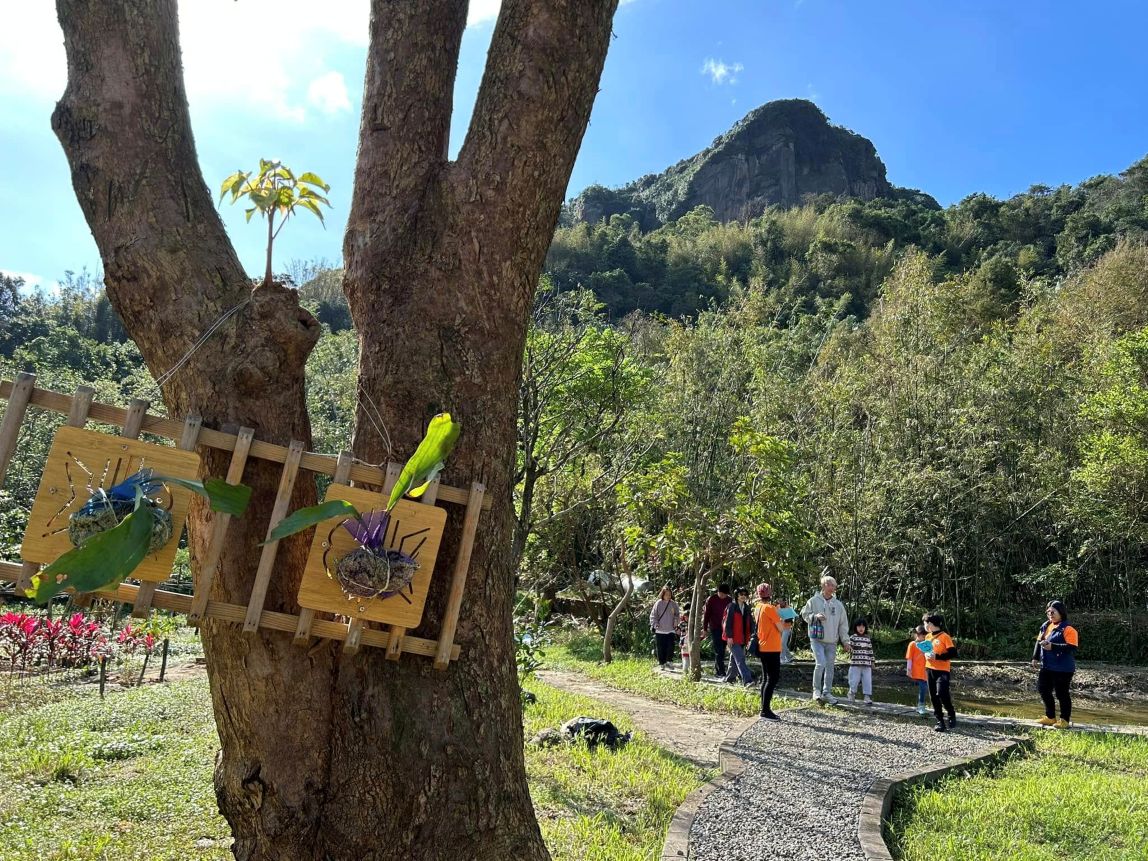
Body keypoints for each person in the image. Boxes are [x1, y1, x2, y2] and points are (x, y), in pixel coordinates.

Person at [800, 572, 851, 703]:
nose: (834, 588)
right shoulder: (813, 601)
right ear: (825, 585)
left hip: (832, 642)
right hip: (816, 639)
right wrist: (815, 617)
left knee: (830, 667)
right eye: (833, 585)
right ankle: (816, 691)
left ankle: (827, 693)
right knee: (820, 663)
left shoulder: (838, 605)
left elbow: (843, 625)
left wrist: (845, 641)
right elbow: (804, 614)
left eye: (835, 586)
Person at [1032, 599, 1079, 729]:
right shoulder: (1045, 625)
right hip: (1047, 666)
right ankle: (1050, 717)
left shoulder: (1069, 629)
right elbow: (1038, 641)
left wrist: (1053, 646)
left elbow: (1072, 648)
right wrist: (1035, 657)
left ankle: (1064, 720)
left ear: (1061, 612)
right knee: (1043, 690)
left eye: (1053, 612)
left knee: (1061, 694)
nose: (1050, 614)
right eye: (1048, 612)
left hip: (1063, 668)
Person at [755, 583, 786, 720]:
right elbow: (781, 628)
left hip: (762, 645)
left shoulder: (758, 607)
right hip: (772, 647)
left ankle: (763, 708)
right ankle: (765, 710)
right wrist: (785, 617)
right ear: (770, 593)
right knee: (772, 678)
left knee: (765, 678)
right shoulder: (770, 608)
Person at [923, 613, 958, 732]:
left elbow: (953, 653)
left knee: (942, 693)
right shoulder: (927, 637)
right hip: (929, 668)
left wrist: (937, 657)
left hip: (942, 670)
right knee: (933, 696)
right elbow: (927, 650)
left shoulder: (945, 636)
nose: (924, 625)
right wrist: (927, 654)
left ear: (931, 624)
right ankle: (940, 720)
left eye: (925, 623)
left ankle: (951, 713)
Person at [723, 587, 756, 686]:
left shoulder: (746, 607)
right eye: (741, 594)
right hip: (733, 637)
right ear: (737, 595)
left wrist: (753, 634)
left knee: (734, 659)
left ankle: (729, 679)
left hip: (743, 638)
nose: (743, 596)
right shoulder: (731, 606)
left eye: (745, 595)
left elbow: (750, 622)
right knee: (740, 659)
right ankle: (748, 681)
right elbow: (727, 622)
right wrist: (729, 636)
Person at [703, 583, 733, 677]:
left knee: (722, 650)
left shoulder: (729, 600)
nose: (723, 596)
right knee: (718, 650)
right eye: (722, 594)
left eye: (725, 594)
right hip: (715, 627)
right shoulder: (712, 599)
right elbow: (706, 614)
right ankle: (721, 671)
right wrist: (704, 628)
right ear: (718, 592)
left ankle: (718, 670)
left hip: (725, 628)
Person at [649, 586, 680, 670]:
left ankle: (669, 662)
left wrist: (676, 621)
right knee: (661, 647)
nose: (668, 596)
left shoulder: (673, 604)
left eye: (670, 594)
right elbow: (653, 615)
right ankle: (662, 663)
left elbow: (677, 614)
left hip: (671, 629)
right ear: (663, 594)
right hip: (660, 630)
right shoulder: (658, 603)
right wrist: (655, 624)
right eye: (666, 594)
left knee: (670, 646)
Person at [847, 617, 874, 705]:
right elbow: (849, 647)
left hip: (867, 664)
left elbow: (870, 651)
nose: (861, 628)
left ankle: (867, 697)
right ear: (855, 627)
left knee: (867, 680)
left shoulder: (867, 638)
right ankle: (851, 693)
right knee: (854, 680)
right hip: (855, 664)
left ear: (865, 627)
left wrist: (872, 662)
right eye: (859, 626)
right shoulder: (852, 637)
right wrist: (848, 647)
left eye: (863, 626)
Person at [905, 625, 929, 716]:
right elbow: (909, 658)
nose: (923, 638)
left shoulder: (927, 644)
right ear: (917, 635)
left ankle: (921, 705)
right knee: (923, 687)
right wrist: (909, 669)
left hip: (925, 671)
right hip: (916, 671)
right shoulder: (912, 644)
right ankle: (921, 706)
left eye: (925, 636)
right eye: (922, 635)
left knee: (925, 688)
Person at [777, 598, 796, 664]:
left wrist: (785, 617)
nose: (780, 602)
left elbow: (792, 619)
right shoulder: (777, 607)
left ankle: (782, 658)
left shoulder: (789, 608)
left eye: (781, 601)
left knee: (782, 643)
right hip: (779, 627)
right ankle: (789, 656)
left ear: (785, 601)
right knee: (782, 643)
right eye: (779, 601)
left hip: (787, 628)